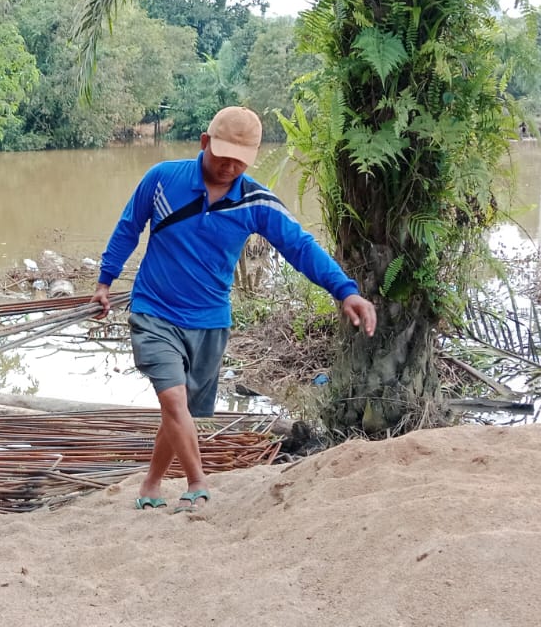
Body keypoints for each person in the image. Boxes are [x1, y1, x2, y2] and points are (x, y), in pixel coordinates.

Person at [93, 106, 378, 514]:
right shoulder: (162, 179)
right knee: (173, 402)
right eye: (222, 155)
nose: (229, 166)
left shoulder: (256, 201)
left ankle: (152, 483)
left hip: (209, 321)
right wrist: (105, 281)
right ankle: (197, 483)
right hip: (154, 311)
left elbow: (300, 247)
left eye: (240, 161)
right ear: (204, 142)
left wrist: (345, 291)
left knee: (181, 413)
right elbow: (128, 228)